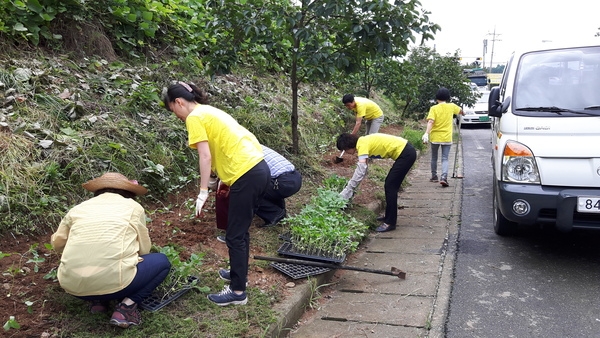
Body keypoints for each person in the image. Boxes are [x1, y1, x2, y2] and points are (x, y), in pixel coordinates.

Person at [163, 81, 270, 306]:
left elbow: (205, 156)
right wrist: (213, 179)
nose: (177, 116)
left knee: (235, 235)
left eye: (174, 111)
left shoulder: (194, 117)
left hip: (246, 173)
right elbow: (218, 149)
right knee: (239, 230)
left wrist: (202, 192)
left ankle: (238, 292)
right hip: (256, 168)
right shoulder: (208, 111)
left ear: (179, 102)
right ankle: (236, 274)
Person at [50, 172, 171, 329]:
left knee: (92, 259)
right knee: (162, 262)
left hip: (73, 287)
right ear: (129, 193)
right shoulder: (133, 207)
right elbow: (144, 249)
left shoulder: (77, 209)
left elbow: (57, 244)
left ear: (98, 192)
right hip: (118, 284)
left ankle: (98, 302)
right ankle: (126, 308)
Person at [336, 132, 417, 232]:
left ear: (348, 146)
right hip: (406, 151)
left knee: (390, 186)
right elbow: (363, 170)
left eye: (345, 150)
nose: (346, 152)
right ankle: (388, 217)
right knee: (390, 185)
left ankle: (390, 222)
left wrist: (349, 188)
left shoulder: (362, 145)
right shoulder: (362, 142)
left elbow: (361, 169)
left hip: (406, 154)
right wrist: (352, 187)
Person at [421, 87, 464, 187]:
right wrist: (462, 111)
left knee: (434, 157)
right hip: (446, 137)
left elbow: (431, 121)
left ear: (437, 98)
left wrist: (426, 133)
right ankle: (444, 177)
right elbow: (461, 111)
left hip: (435, 137)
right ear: (448, 97)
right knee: (445, 158)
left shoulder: (433, 108)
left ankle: (434, 176)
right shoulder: (452, 106)